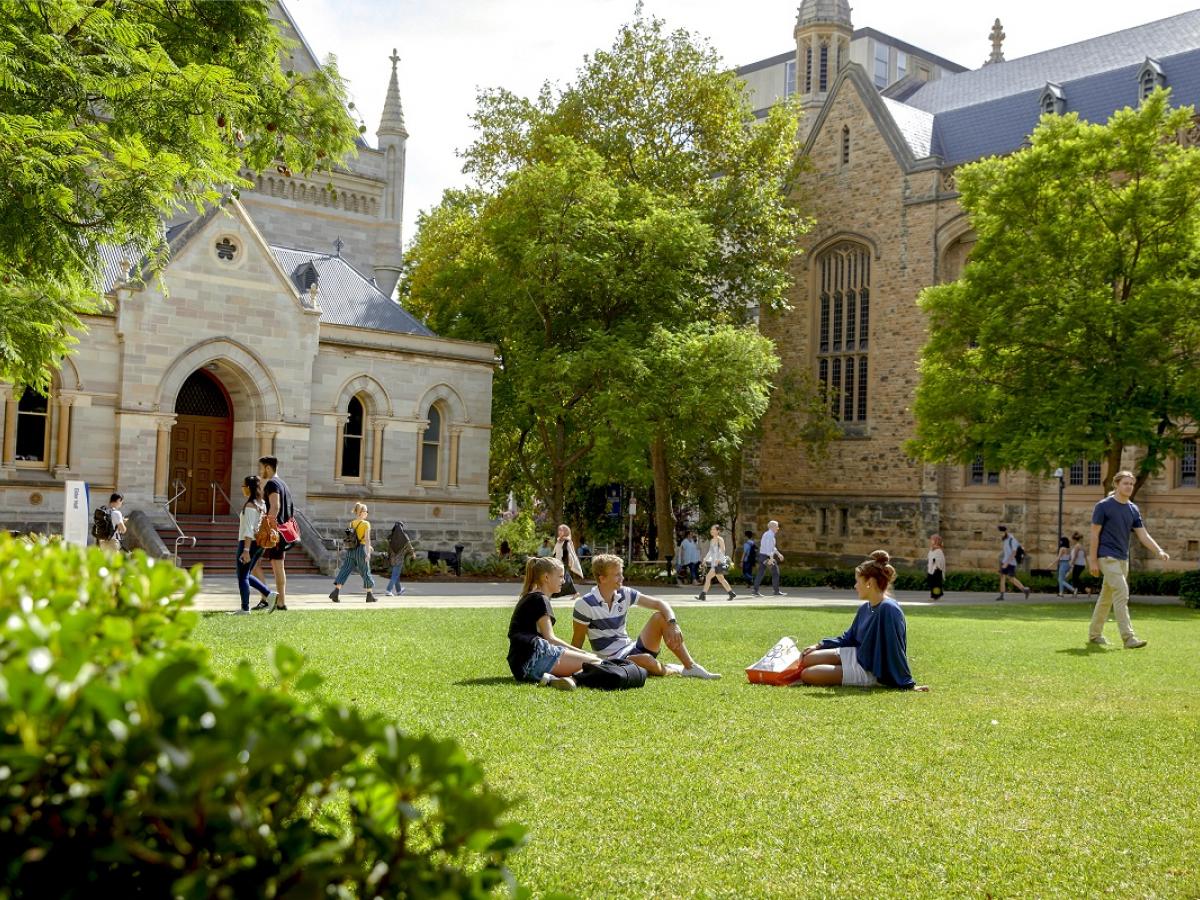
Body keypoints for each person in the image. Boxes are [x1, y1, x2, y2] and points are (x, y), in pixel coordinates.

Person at [795, 550, 929, 691]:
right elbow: (849, 638)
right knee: (807, 659)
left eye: (858, 582)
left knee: (807, 674)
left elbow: (896, 648)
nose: (855, 586)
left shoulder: (888, 610)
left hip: (871, 669)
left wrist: (908, 683)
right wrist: (819, 645)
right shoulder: (866, 607)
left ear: (869, 583)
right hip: (858, 654)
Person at [572, 554, 721, 679]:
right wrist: (572, 669)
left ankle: (690, 666)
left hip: (632, 647)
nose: (622, 578)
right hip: (613, 660)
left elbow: (660, 603)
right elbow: (577, 642)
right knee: (647, 660)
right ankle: (674, 669)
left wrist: (673, 623)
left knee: (661, 617)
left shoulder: (625, 593)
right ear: (602, 578)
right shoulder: (585, 604)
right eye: (617, 575)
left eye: (621, 573)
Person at [1088, 470, 1168, 649]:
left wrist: (1158, 550)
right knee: (1122, 593)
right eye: (1125, 483)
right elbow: (1094, 534)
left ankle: (1094, 635)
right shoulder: (1103, 506)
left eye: (1131, 484)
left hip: (1123, 559)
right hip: (1106, 557)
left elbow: (1143, 535)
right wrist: (1092, 560)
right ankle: (1129, 638)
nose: (1129, 487)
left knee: (1106, 597)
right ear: (1116, 485)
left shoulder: (1133, 509)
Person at [508, 556, 601, 690]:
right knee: (595, 662)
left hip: (520, 666)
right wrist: (583, 653)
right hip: (534, 659)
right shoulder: (540, 599)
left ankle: (552, 680)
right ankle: (568, 680)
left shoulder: (530, 596)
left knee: (593, 663)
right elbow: (550, 639)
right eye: (560, 577)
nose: (563, 581)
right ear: (546, 577)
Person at [254, 456, 292, 612]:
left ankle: (266, 597)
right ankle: (281, 602)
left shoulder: (272, 484)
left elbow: (275, 507)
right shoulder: (283, 484)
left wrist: (267, 527)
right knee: (278, 567)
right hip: (282, 531)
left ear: (268, 468)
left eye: (261, 468)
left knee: (253, 563)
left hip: (273, 532)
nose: (260, 471)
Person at [234, 475, 276, 614]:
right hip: (259, 544)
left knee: (242, 577)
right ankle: (269, 594)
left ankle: (245, 608)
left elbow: (248, 530)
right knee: (245, 575)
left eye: (244, 486)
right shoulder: (262, 504)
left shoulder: (251, 506)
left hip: (248, 544)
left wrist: (245, 550)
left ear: (248, 488)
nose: (242, 488)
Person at [330, 502, 376, 603]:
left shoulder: (351, 523)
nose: (367, 513)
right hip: (361, 550)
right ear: (361, 512)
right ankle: (369, 595)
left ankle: (335, 592)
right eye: (366, 511)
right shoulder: (366, 523)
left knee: (345, 570)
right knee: (365, 571)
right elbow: (367, 539)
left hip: (351, 550)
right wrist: (368, 552)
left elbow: (350, 538)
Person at [697, 524, 737, 601]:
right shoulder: (712, 540)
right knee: (721, 579)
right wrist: (705, 559)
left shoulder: (720, 539)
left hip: (718, 562)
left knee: (708, 577)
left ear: (718, 531)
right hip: (714, 563)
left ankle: (703, 595)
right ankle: (731, 593)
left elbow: (723, 550)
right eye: (711, 529)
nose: (711, 531)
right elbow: (710, 551)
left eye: (713, 529)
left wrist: (719, 559)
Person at [995, 525, 1030, 601]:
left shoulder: (1012, 540)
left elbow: (1014, 553)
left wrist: (1006, 563)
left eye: (1001, 533)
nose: (1000, 535)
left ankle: (1025, 589)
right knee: (1002, 577)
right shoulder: (1005, 540)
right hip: (1005, 561)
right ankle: (1001, 596)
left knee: (1011, 579)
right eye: (999, 533)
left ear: (1005, 532)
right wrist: (1004, 562)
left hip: (1011, 562)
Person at [752, 520, 786, 597]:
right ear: (772, 527)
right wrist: (771, 558)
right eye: (777, 526)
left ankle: (755, 590)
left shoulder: (767, 534)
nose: (778, 528)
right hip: (766, 557)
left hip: (762, 556)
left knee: (760, 573)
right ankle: (776, 591)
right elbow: (768, 548)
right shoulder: (770, 535)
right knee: (775, 572)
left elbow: (772, 547)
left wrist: (778, 554)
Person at [551, 524, 584, 601]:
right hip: (557, 562)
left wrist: (571, 562)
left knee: (563, 577)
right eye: (559, 530)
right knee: (564, 577)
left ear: (565, 531)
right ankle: (574, 593)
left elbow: (571, 552)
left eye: (561, 530)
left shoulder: (568, 541)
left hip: (564, 562)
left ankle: (553, 593)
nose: (559, 532)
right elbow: (555, 551)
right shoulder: (559, 540)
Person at [385, 521, 411, 596]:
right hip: (399, 559)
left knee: (396, 574)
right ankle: (388, 590)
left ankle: (399, 591)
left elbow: (388, 548)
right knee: (395, 575)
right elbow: (409, 546)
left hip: (392, 559)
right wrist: (413, 553)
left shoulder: (391, 536)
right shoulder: (404, 536)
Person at [926, 534, 945, 601]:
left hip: (936, 569)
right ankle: (933, 595)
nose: (931, 541)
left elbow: (940, 559)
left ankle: (936, 596)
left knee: (936, 583)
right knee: (932, 583)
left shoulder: (939, 550)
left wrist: (936, 565)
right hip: (931, 569)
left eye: (933, 540)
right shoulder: (931, 550)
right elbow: (930, 558)